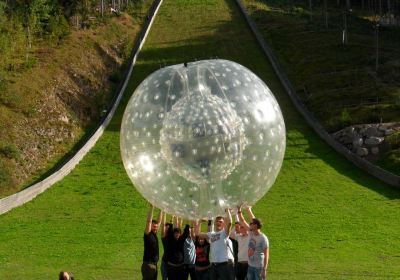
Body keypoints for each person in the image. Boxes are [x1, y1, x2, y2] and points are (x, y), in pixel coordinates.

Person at [196, 209, 234, 280]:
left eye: (220, 222)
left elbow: (229, 223)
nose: (218, 223)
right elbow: (197, 234)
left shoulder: (224, 233)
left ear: (223, 224)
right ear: (215, 223)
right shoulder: (211, 234)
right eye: (217, 221)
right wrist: (200, 222)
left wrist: (227, 210)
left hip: (223, 264)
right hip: (213, 264)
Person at [238, 206, 269, 280]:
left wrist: (264, 269)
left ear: (255, 225)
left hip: (259, 268)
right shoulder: (251, 233)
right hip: (250, 266)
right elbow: (242, 221)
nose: (249, 224)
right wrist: (239, 211)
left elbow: (266, 254)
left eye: (251, 223)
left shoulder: (263, 238)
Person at [142, 204, 163, 280]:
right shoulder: (148, 233)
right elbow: (148, 221)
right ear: (150, 226)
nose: (156, 228)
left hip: (154, 265)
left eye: (156, 227)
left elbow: (159, 221)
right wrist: (152, 208)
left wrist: (161, 209)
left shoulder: (154, 234)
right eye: (154, 226)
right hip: (148, 265)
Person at [232, 207, 250, 280]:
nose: (240, 229)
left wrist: (239, 212)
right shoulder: (238, 236)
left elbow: (242, 221)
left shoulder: (250, 236)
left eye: (242, 227)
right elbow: (229, 233)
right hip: (239, 264)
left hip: (248, 264)